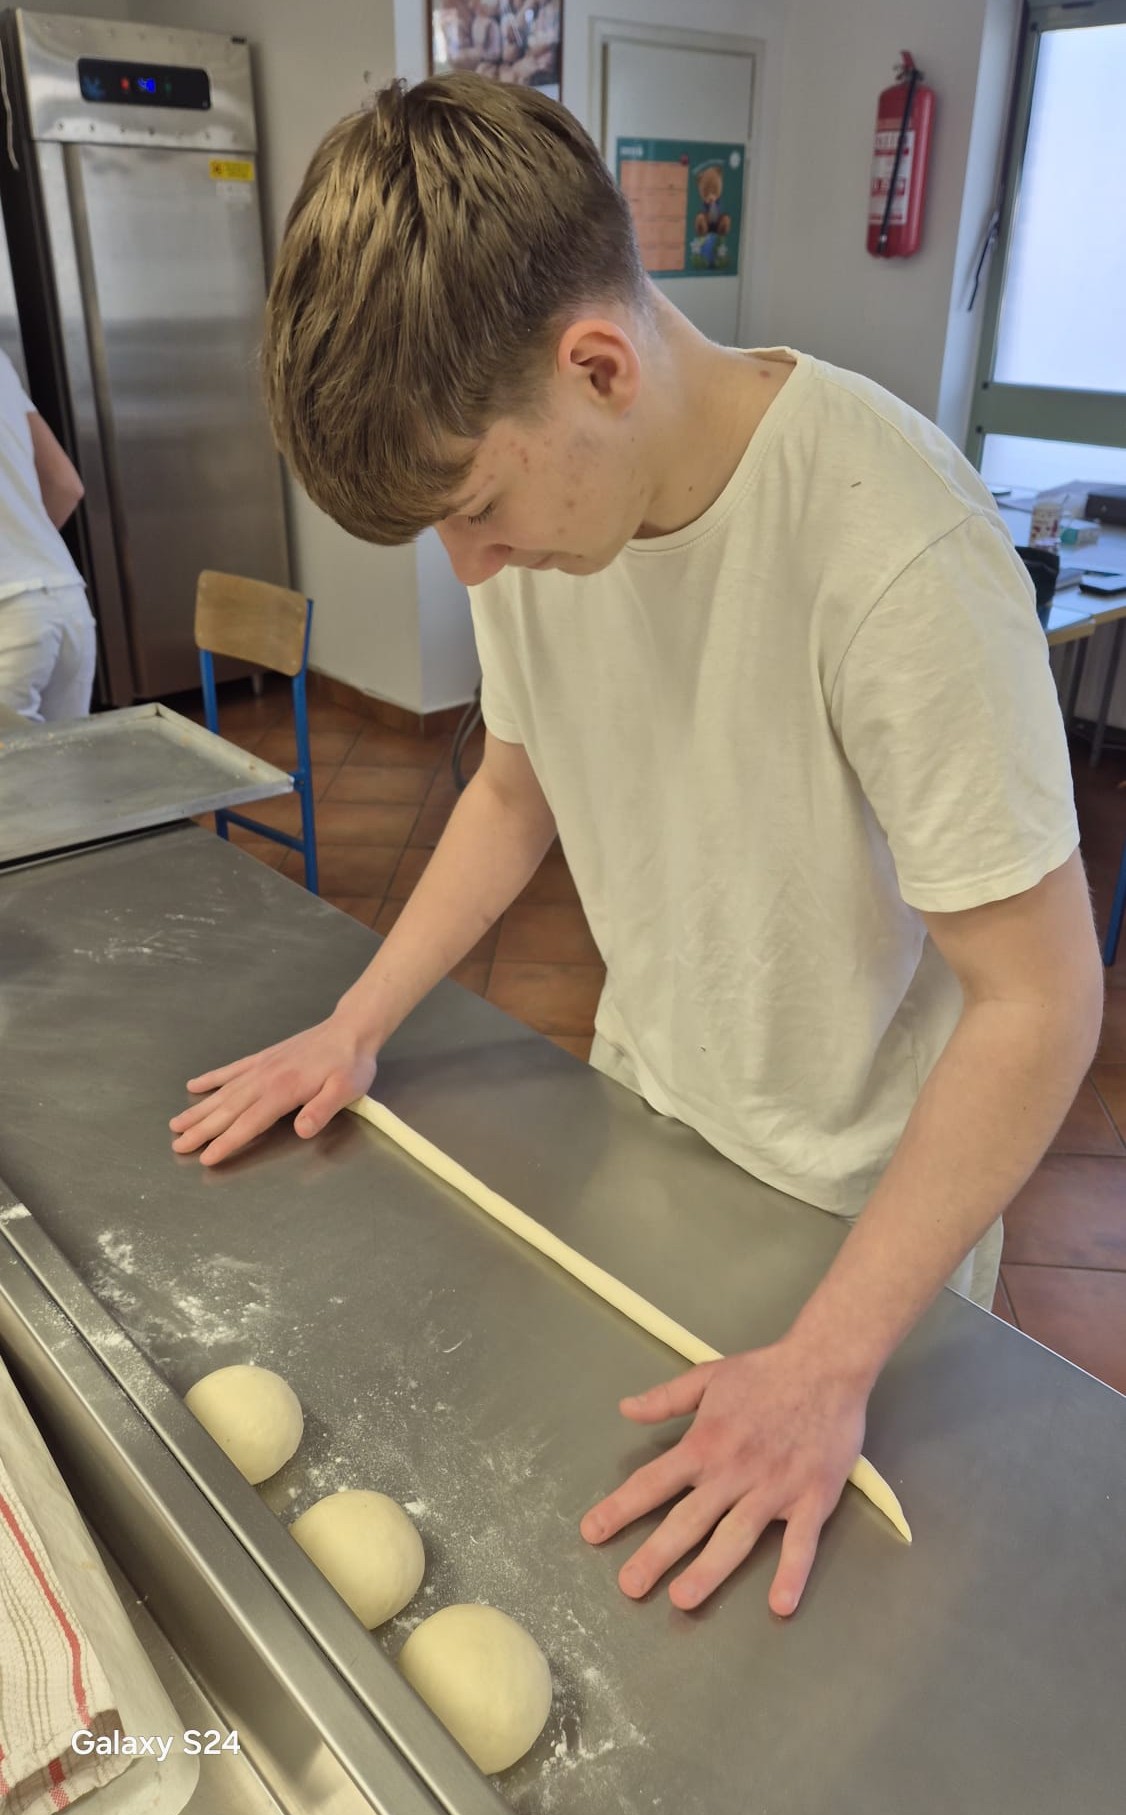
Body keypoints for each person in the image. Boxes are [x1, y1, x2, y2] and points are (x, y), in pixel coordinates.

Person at [170, 77, 1105, 1618]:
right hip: (647, 1128)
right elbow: (513, 790)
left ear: (595, 367)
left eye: (477, 509)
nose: (475, 569)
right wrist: (355, 1023)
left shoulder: (894, 550)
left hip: (864, 1230)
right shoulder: (545, 522)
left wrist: (826, 1363)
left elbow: (1039, 1000)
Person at [0, 349, 96, 722]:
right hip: (66, 600)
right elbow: (65, 484)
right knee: (67, 758)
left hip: (6, 615)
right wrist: (23, 546)